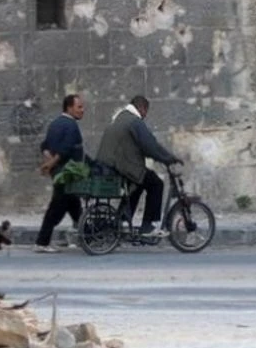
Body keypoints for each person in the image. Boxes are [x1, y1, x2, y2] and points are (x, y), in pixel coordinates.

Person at [96, 95, 181, 237]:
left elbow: (143, 145)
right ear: (142, 108)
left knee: (138, 183)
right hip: (119, 165)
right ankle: (148, 226)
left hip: (109, 165)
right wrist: (168, 158)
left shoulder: (121, 117)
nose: (145, 116)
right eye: (146, 112)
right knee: (155, 183)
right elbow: (150, 145)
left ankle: (122, 220)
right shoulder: (135, 121)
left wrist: (163, 156)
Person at [34, 94, 86, 253]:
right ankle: (42, 242)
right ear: (69, 108)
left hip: (59, 172)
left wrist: (48, 158)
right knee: (56, 208)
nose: (82, 110)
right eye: (79, 107)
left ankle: (89, 235)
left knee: (74, 205)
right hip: (66, 173)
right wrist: (51, 163)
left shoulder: (55, 123)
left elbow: (44, 145)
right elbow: (66, 149)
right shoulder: (71, 126)